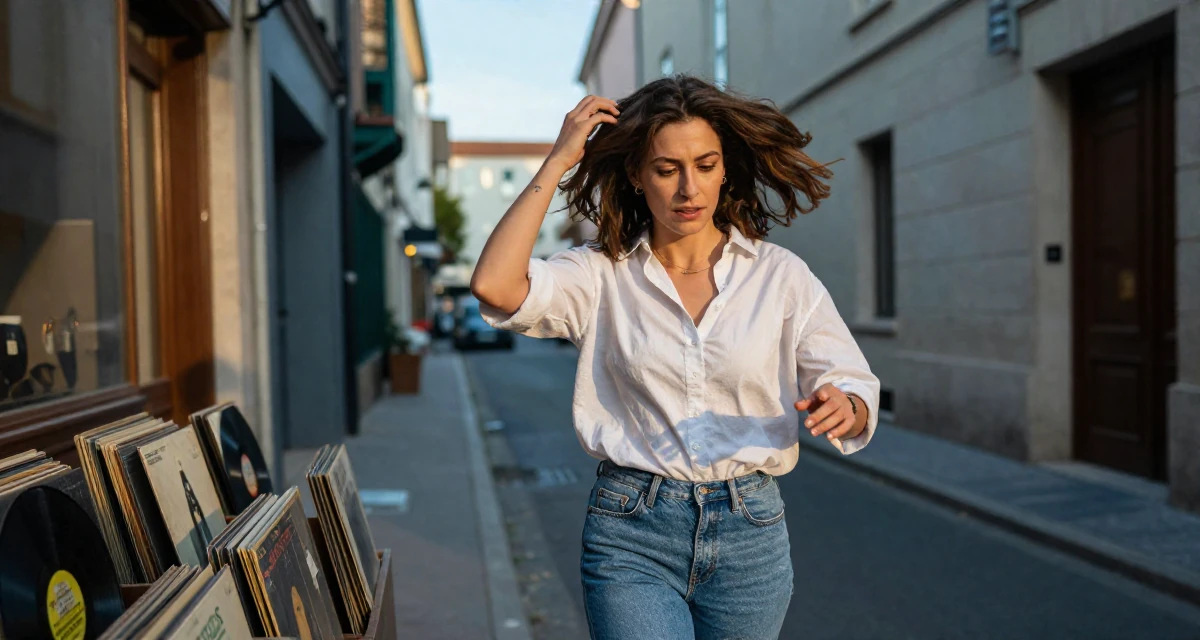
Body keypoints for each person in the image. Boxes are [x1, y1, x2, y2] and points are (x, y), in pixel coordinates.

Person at [470, 75, 880, 640]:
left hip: (751, 533)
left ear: (724, 169)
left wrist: (845, 403)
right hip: (631, 531)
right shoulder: (599, 274)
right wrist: (559, 160)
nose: (689, 188)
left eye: (705, 165)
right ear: (637, 176)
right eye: (667, 170)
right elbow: (494, 285)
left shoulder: (780, 275)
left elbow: (853, 382)